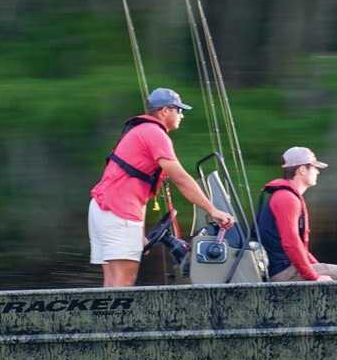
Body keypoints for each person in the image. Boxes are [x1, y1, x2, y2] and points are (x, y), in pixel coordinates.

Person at [89, 87, 236, 287]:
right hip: (119, 211)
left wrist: (140, 233)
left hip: (102, 209)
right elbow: (181, 179)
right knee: (124, 281)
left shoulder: (141, 130)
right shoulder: (155, 133)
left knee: (112, 281)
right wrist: (213, 211)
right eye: (179, 110)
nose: (182, 116)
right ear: (165, 111)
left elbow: (139, 189)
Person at [257, 146, 337, 283]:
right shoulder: (287, 198)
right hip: (284, 272)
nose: (318, 172)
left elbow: (300, 249)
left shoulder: (285, 196)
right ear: (302, 170)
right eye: (314, 167)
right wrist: (313, 276)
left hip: (287, 269)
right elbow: (291, 242)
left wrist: (316, 270)